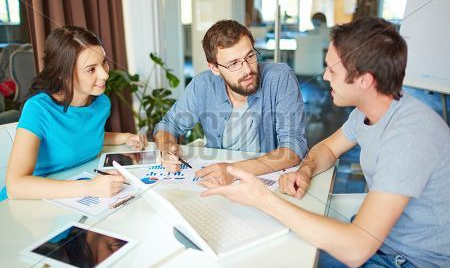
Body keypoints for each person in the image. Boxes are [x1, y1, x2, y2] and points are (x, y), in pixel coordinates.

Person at [201, 17, 450, 268]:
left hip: (412, 266)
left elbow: (355, 249)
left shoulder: (410, 137)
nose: (324, 76)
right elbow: (329, 148)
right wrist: (306, 171)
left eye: (332, 69)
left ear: (365, 80)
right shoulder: (370, 111)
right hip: (379, 242)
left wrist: (264, 200)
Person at [1, 26, 148, 201]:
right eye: (91, 69)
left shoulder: (101, 103)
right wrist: (89, 187)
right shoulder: (38, 109)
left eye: (103, 62)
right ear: (64, 74)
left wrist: (123, 137)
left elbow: (80, 135)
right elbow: (15, 186)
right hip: (28, 203)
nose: (105, 75)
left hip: (73, 197)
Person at [154, 20, 307, 186]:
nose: (248, 70)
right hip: (218, 179)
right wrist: (167, 149)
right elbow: (168, 125)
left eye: (250, 56)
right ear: (214, 68)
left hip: (266, 178)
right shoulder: (202, 85)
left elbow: (293, 148)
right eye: (234, 63)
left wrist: (231, 170)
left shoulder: (280, 77)